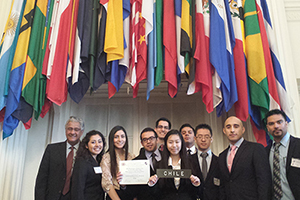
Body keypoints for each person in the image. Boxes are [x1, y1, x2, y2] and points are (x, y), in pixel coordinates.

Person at [218, 116, 272, 200]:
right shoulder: (222, 156)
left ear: (243, 130)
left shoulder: (255, 149)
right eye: (228, 127)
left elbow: (264, 180)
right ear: (224, 131)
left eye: (236, 126)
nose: (232, 130)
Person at [35, 116, 84, 200]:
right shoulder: (52, 149)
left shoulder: (87, 152)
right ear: (65, 130)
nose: (72, 132)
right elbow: (41, 179)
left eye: (76, 129)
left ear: (82, 132)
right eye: (70, 129)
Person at [148, 129, 200, 200]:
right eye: (170, 142)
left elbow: (197, 191)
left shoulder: (192, 163)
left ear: (182, 143)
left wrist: (196, 184)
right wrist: (152, 184)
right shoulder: (159, 165)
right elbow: (156, 193)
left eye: (177, 142)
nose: (174, 145)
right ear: (166, 144)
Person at [265, 109, 300, 200]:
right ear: (267, 128)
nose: (276, 126)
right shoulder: (265, 152)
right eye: (271, 124)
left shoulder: (298, 145)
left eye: (279, 122)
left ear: (286, 124)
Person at [100, 126, 134, 200]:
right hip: (114, 196)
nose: (120, 140)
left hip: (129, 194)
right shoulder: (107, 157)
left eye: (122, 136)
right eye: (116, 137)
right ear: (112, 139)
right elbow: (107, 184)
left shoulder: (131, 156)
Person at [71, 130, 106, 200]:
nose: (97, 145)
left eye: (100, 141)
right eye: (93, 142)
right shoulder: (82, 162)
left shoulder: (100, 161)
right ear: (86, 145)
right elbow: (78, 189)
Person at [130, 127, 162, 200]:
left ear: (157, 140)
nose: (148, 142)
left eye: (151, 138)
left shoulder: (167, 157)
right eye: (145, 140)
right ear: (141, 143)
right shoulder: (135, 162)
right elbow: (132, 190)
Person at [190, 124, 220, 200]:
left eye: (207, 137)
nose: (203, 140)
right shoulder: (188, 160)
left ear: (211, 139)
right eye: (200, 137)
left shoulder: (219, 161)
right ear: (195, 139)